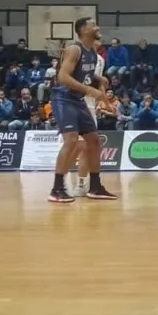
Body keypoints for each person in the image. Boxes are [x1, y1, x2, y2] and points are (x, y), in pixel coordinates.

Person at [49, 17, 116, 202]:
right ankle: (56, 189)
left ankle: (95, 187)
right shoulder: (74, 49)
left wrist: (98, 78)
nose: (98, 27)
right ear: (84, 30)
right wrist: (89, 90)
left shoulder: (93, 53)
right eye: (93, 25)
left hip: (77, 100)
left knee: (94, 141)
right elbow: (63, 76)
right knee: (71, 141)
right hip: (63, 98)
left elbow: (83, 73)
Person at [68, 38, 107, 197]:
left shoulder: (100, 60)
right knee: (71, 146)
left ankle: (82, 183)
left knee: (87, 147)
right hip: (71, 103)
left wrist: (102, 99)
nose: (98, 40)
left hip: (89, 105)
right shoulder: (75, 54)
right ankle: (61, 181)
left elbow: (99, 83)